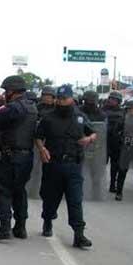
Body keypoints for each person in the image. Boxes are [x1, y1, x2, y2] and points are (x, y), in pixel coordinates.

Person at [35, 85, 96, 248]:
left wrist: (89, 139)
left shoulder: (80, 117)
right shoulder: (48, 118)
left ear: (71, 99)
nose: (61, 102)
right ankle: (47, 221)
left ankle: (79, 234)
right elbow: (38, 136)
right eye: (59, 99)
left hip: (73, 165)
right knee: (50, 198)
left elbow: (93, 132)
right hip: (53, 164)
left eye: (64, 99)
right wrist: (42, 149)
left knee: (75, 200)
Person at [0, 75, 38, 242]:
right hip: (26, 157)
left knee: (1, 188)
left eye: (5, 91)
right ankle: (20, 226)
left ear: (11, 91)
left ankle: (4, 227)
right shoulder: (31, 106)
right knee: (19, 190)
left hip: (12, 156)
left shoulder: (15, 107)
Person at [103, 91, 124, 193]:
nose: (112, 101)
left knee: (115, 165)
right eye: (111, 99)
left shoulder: (122, 112)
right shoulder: (103, 110)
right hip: (104, 141)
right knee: (102, 164)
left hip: (116, 141)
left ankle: (112, 184)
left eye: (115, 99)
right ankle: (100, 183)